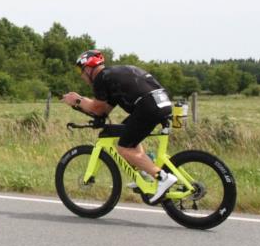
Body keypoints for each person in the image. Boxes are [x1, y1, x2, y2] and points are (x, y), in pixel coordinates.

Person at [60, 50, 178, 203]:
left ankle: (162, 177)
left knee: (124, 148)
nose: (81, 75)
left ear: (88, 68)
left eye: (80, 70)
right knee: (126, 133)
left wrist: (77, 100)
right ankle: (145, 174)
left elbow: (96, 108)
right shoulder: (113, 76)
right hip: (161, 102)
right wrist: (86, 109)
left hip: (148, 106)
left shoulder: (101, 78)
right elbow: (103, 111)